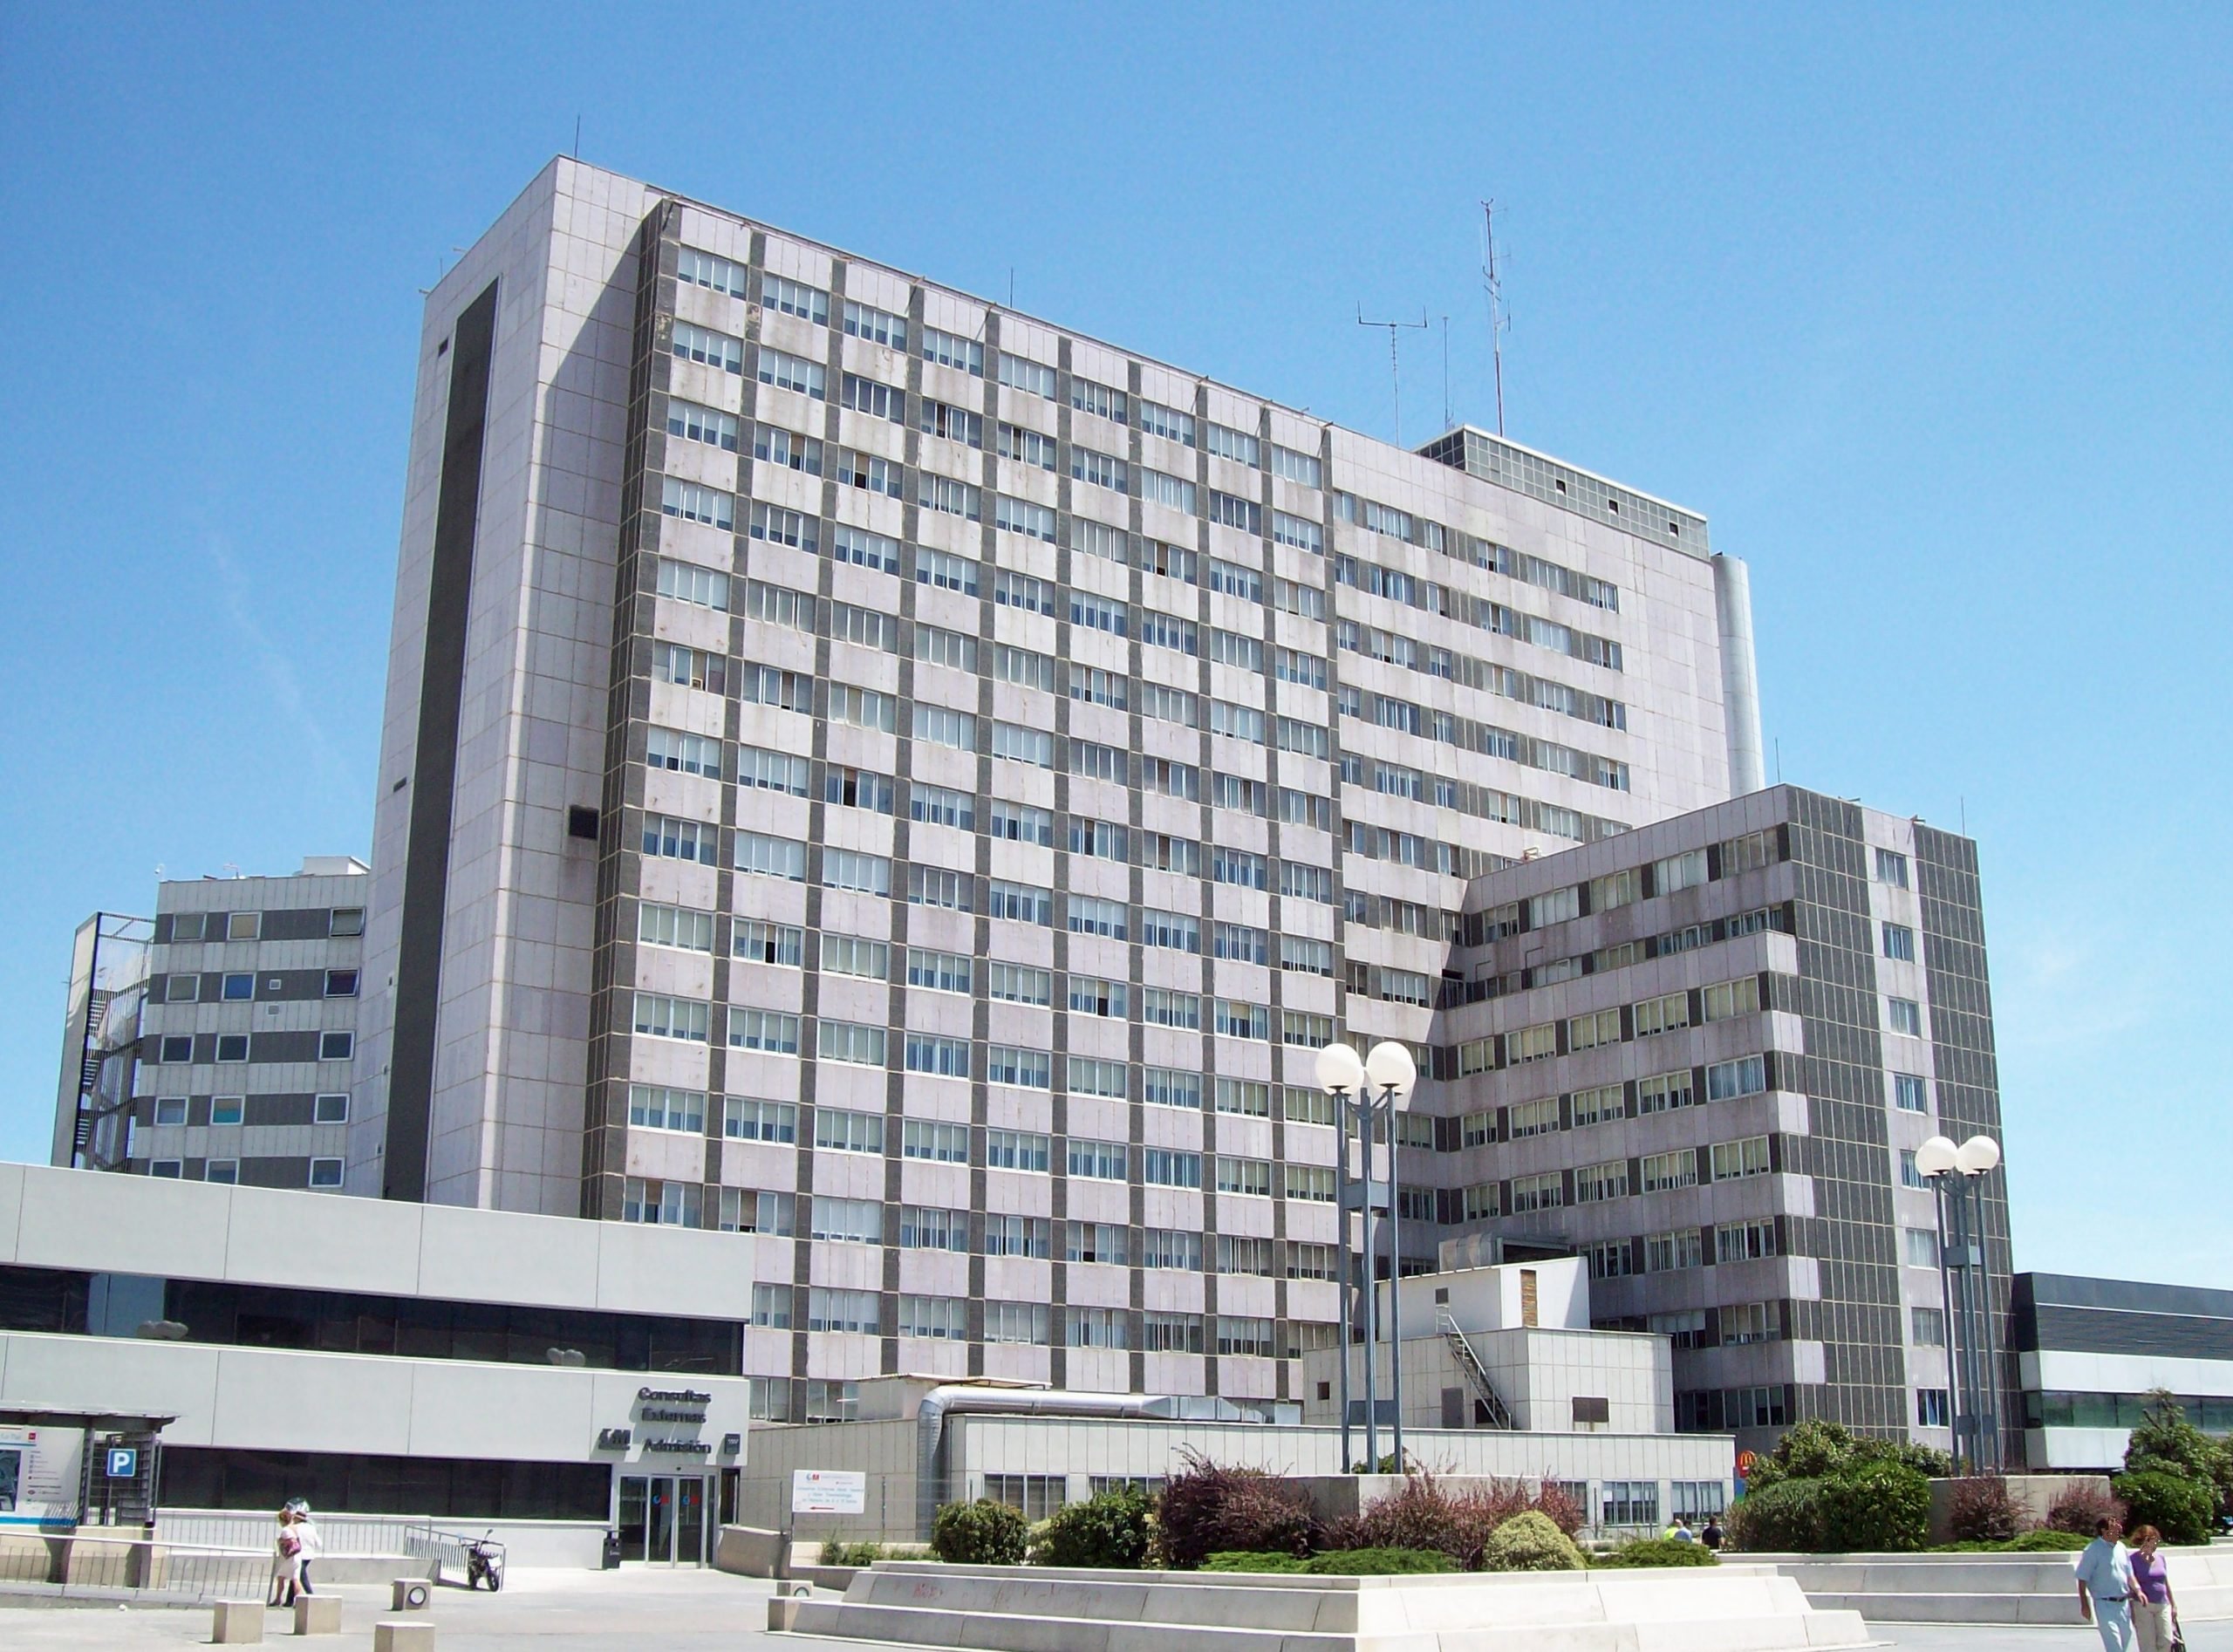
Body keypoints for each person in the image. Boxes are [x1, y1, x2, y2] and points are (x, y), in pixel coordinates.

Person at [2075, 1514, 2137, 1652]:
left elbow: (2129, 1574)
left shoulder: (2121, 1548)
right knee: (2114, 1646)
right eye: (2114, 1527)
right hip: (2104, 1604)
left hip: (2123, 1604)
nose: (2119, 1529)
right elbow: (2082, 1578)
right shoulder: (2093, 1550)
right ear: (2104, 1531)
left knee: (2125, 1639)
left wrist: (2138, 1590)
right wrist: (2085, 1604)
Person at [2128, 1525, 2179, 1652]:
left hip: (2163, 1603)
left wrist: (2173, 1604)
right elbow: (2130, 1581)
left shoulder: (2160, 1558)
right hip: (2143, 1605)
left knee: (2167, 1640)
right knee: (2148, 1644)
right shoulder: (2132, 1560)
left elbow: (2165, 1582)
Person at [269, 1509, 303, 1608]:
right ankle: (300, 1600)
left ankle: (278, 1599)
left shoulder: (286, 1530)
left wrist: (280, 1541)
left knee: (281, 1577)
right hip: (297, 1555)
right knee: (295, 1578)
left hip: (288, 1557)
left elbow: (288, 1541)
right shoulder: (295, 1528)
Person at [290, 1501, 323, 1597]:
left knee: (301, 1576)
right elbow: (319, 1544)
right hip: (309, 1555)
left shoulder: (295, 1528)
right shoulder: (311, 1528)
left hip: (299, 1555)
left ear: (297, 1519)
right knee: (296, 1576)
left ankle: (311, 1595)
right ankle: (289, 1600)